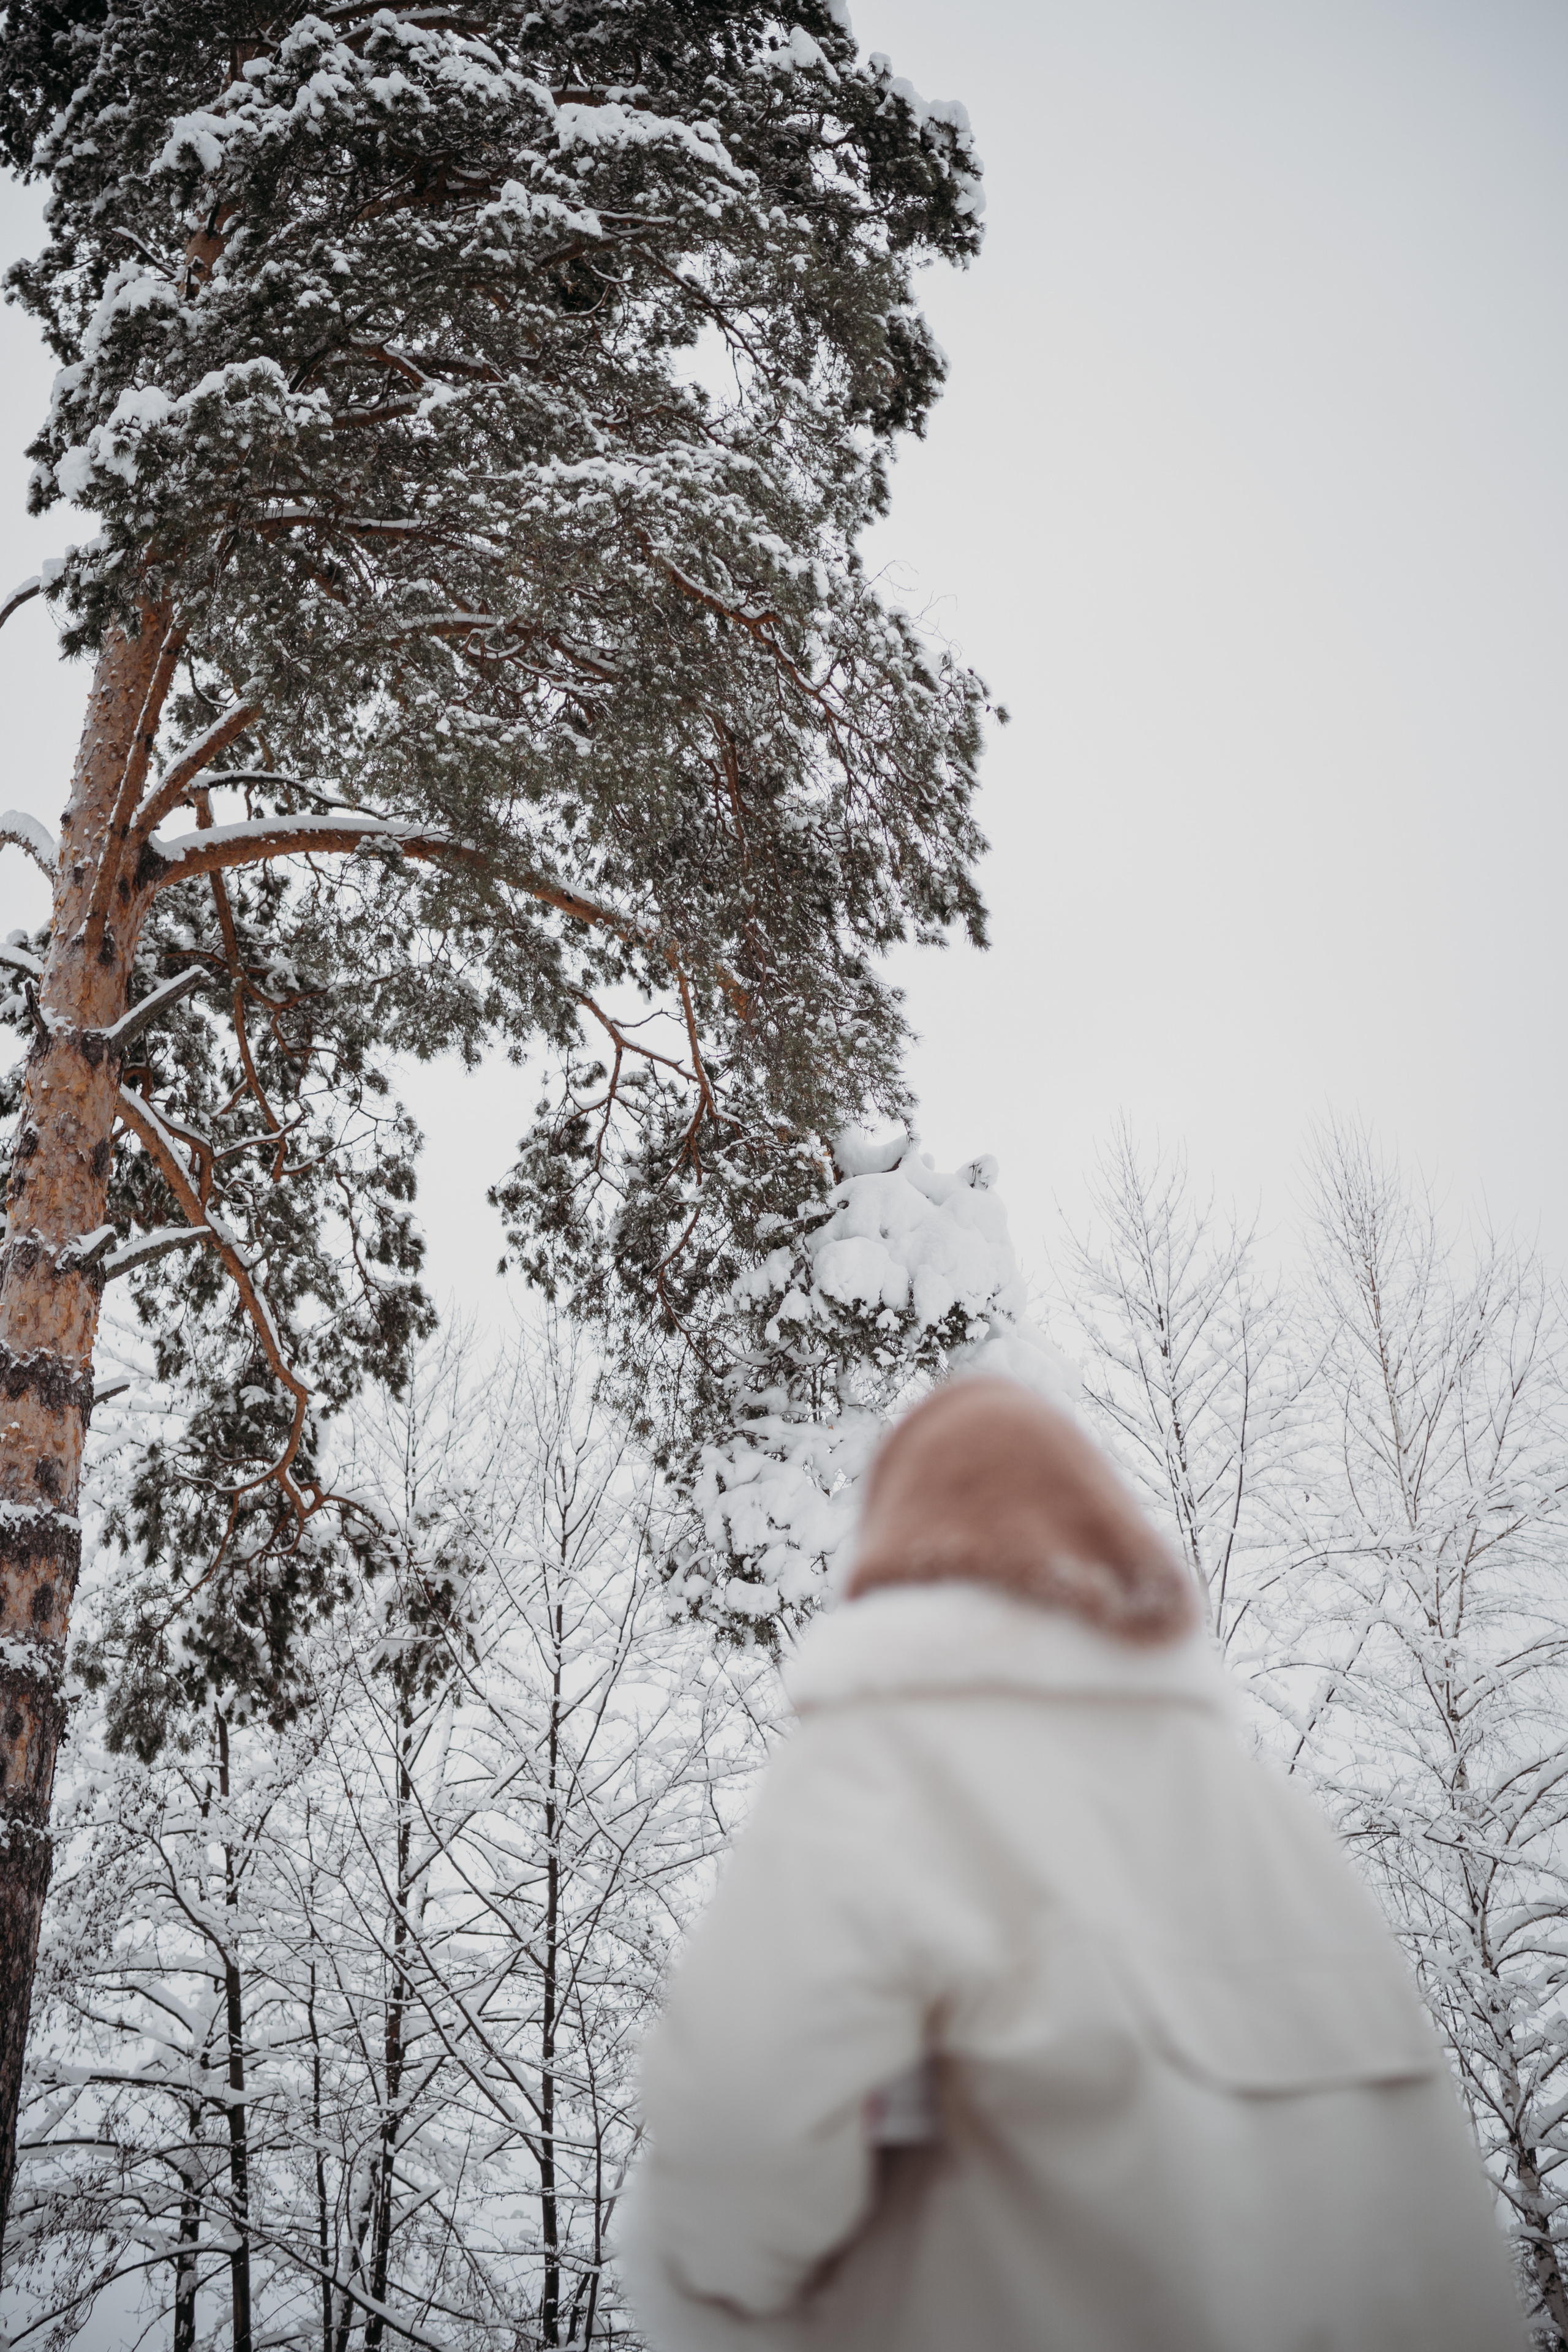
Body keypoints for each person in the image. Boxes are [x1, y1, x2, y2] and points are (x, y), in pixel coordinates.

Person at [620, 1376, 1525, 2352]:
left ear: (891, 1566)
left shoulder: (880, 1771)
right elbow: (1439, 2228)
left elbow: (734, 2151)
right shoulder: (1283, 1830)